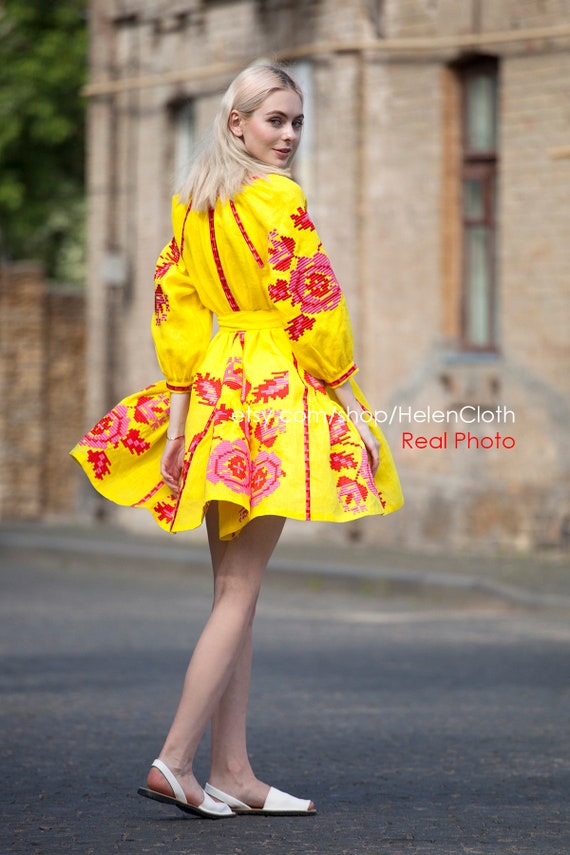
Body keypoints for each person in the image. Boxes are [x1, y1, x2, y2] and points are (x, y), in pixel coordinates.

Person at [71, 63, 403, 819]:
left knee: (231, 593)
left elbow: (175, 308)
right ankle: (176, 758)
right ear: (237, 122)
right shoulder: (277, 198)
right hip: (275, 390)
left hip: (220, 388)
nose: (287, 136)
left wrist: (182, 421)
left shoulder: (193, 203)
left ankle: (234, 771)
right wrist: (352, 403)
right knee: (241, 590)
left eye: (296, 123)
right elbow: (314, 302)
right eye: (275, 120)